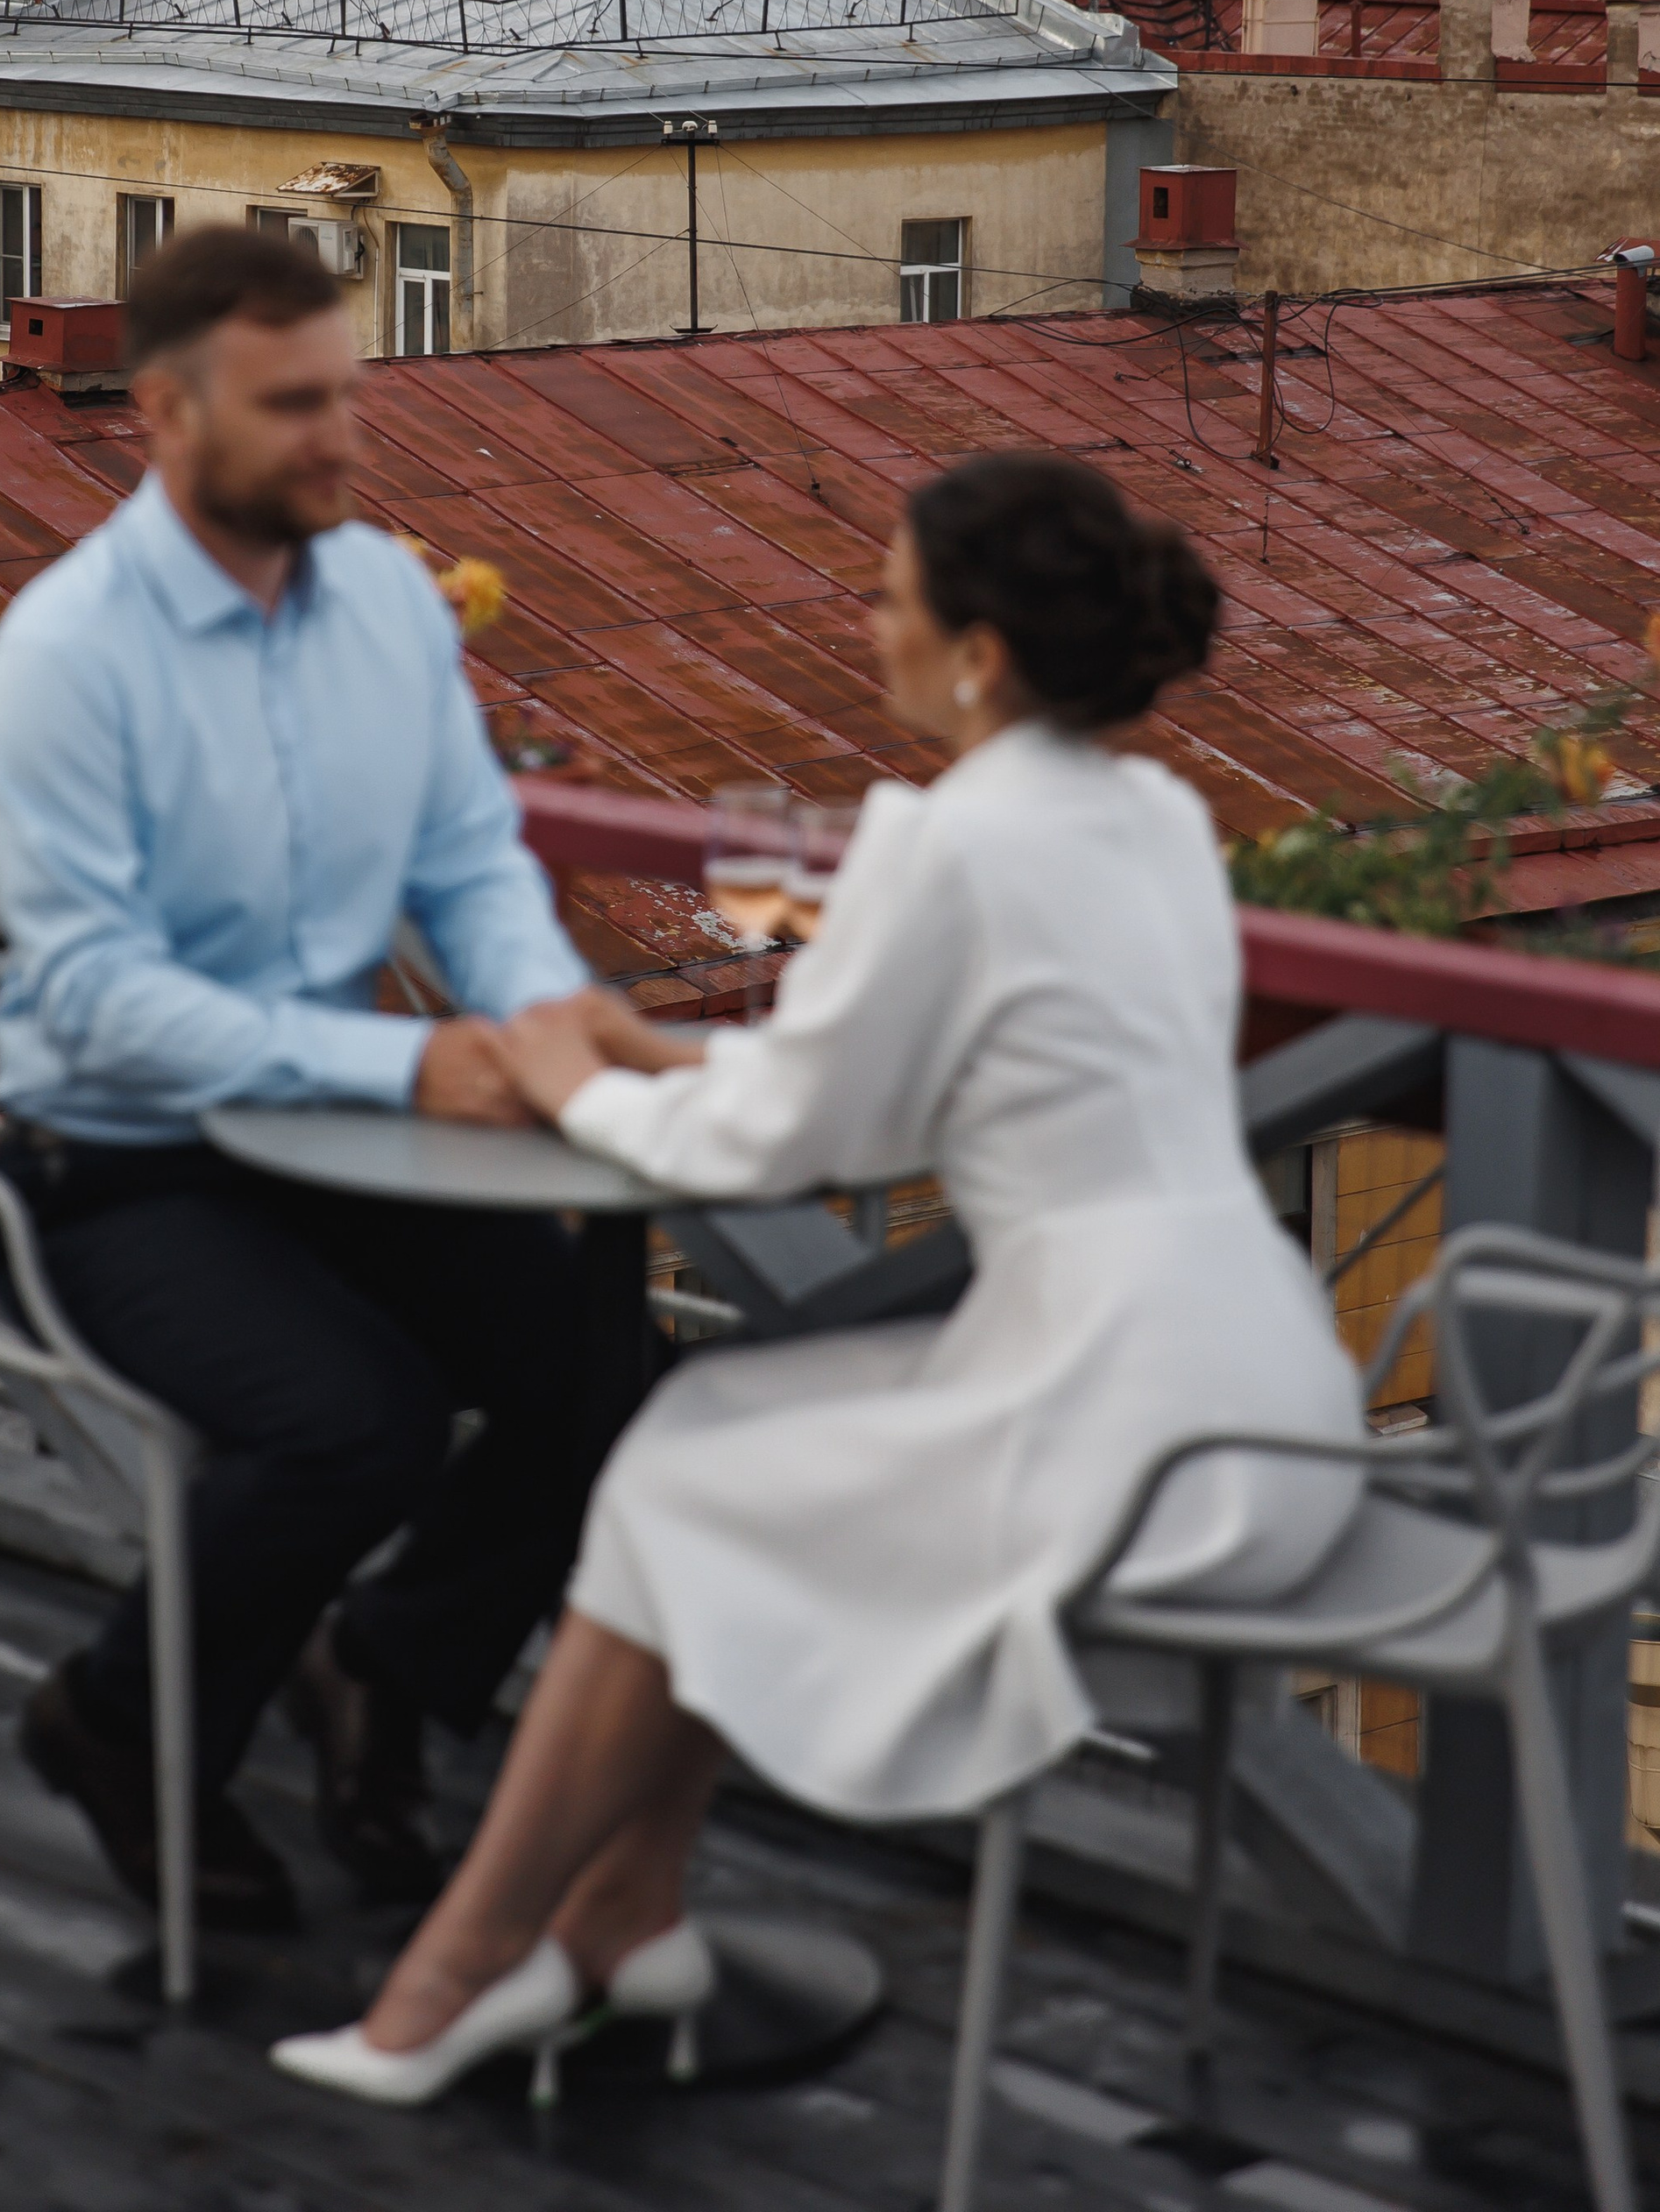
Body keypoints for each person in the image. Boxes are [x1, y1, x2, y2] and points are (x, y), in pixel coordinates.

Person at [273, 450, 1366, 2103]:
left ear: (978, 653)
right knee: (691, 1443)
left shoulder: (948, 844)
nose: (870, 631)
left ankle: (468, 1970)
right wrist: (648, 1056)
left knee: (679, 1469)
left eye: (889, 602)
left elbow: (780, 1145)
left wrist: (572, 1075)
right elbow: (888, 1096)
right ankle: (613, 1921)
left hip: (1113, 1413)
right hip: (1263, 1374)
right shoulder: (1146, 817)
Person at [0, 226, 639, 1933]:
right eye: (293, 407)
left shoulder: (389, 610)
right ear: (166, 415)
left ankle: (383, 1669)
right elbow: (104, 1006)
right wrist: (417, 1061)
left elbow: (467, 864)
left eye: (346, 394)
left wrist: (542, 1022)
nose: (342, 438)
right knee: (359, 1426)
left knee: (595, 1373)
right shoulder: (61, 661)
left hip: (327, 1126)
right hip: (115, 1161)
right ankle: (110, 1725)